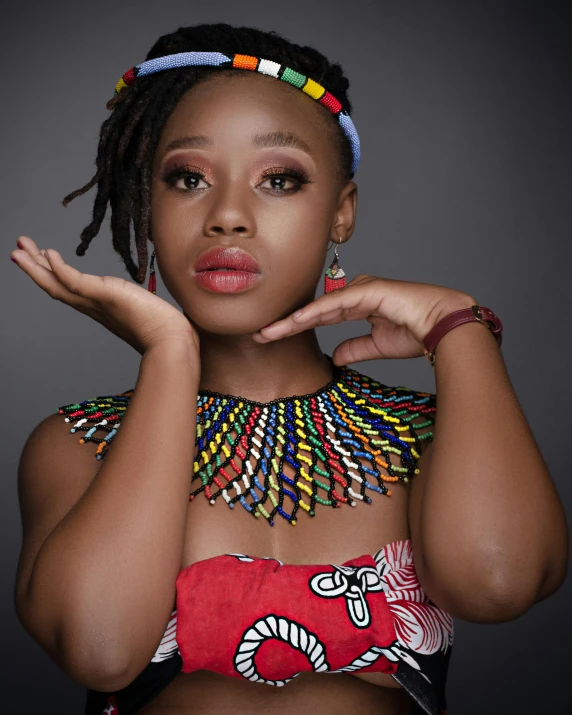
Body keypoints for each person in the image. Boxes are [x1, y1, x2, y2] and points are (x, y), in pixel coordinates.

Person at [10, 22, 568, 715]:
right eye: (188, 178)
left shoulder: (428, 435)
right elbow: (99, 646)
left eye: (280, 179)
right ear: (150, 209)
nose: (229, 217)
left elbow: (499, 580)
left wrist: (459, 328)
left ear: (341, 212)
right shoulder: (77, 444)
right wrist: (169, 356)